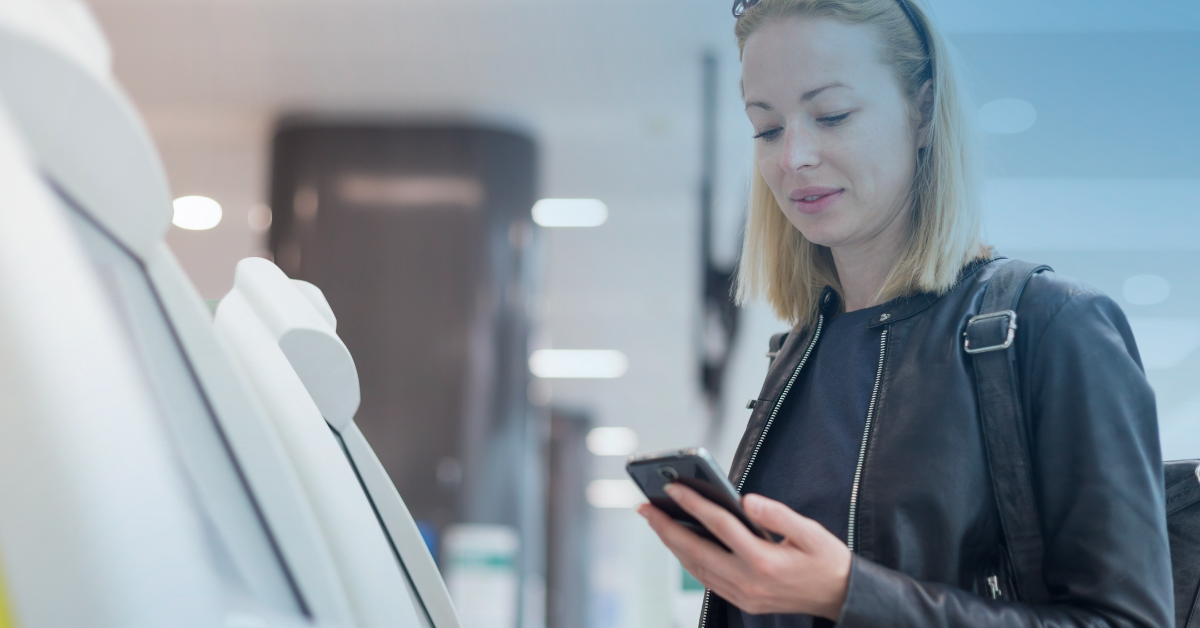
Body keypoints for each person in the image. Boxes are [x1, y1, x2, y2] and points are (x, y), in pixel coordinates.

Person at [635, 0, 1174, 626]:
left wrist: (847, 594)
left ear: (922, 112)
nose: (793, 158)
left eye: (832, 115)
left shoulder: (1053, 327)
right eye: (768, 128)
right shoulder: (797, 356)